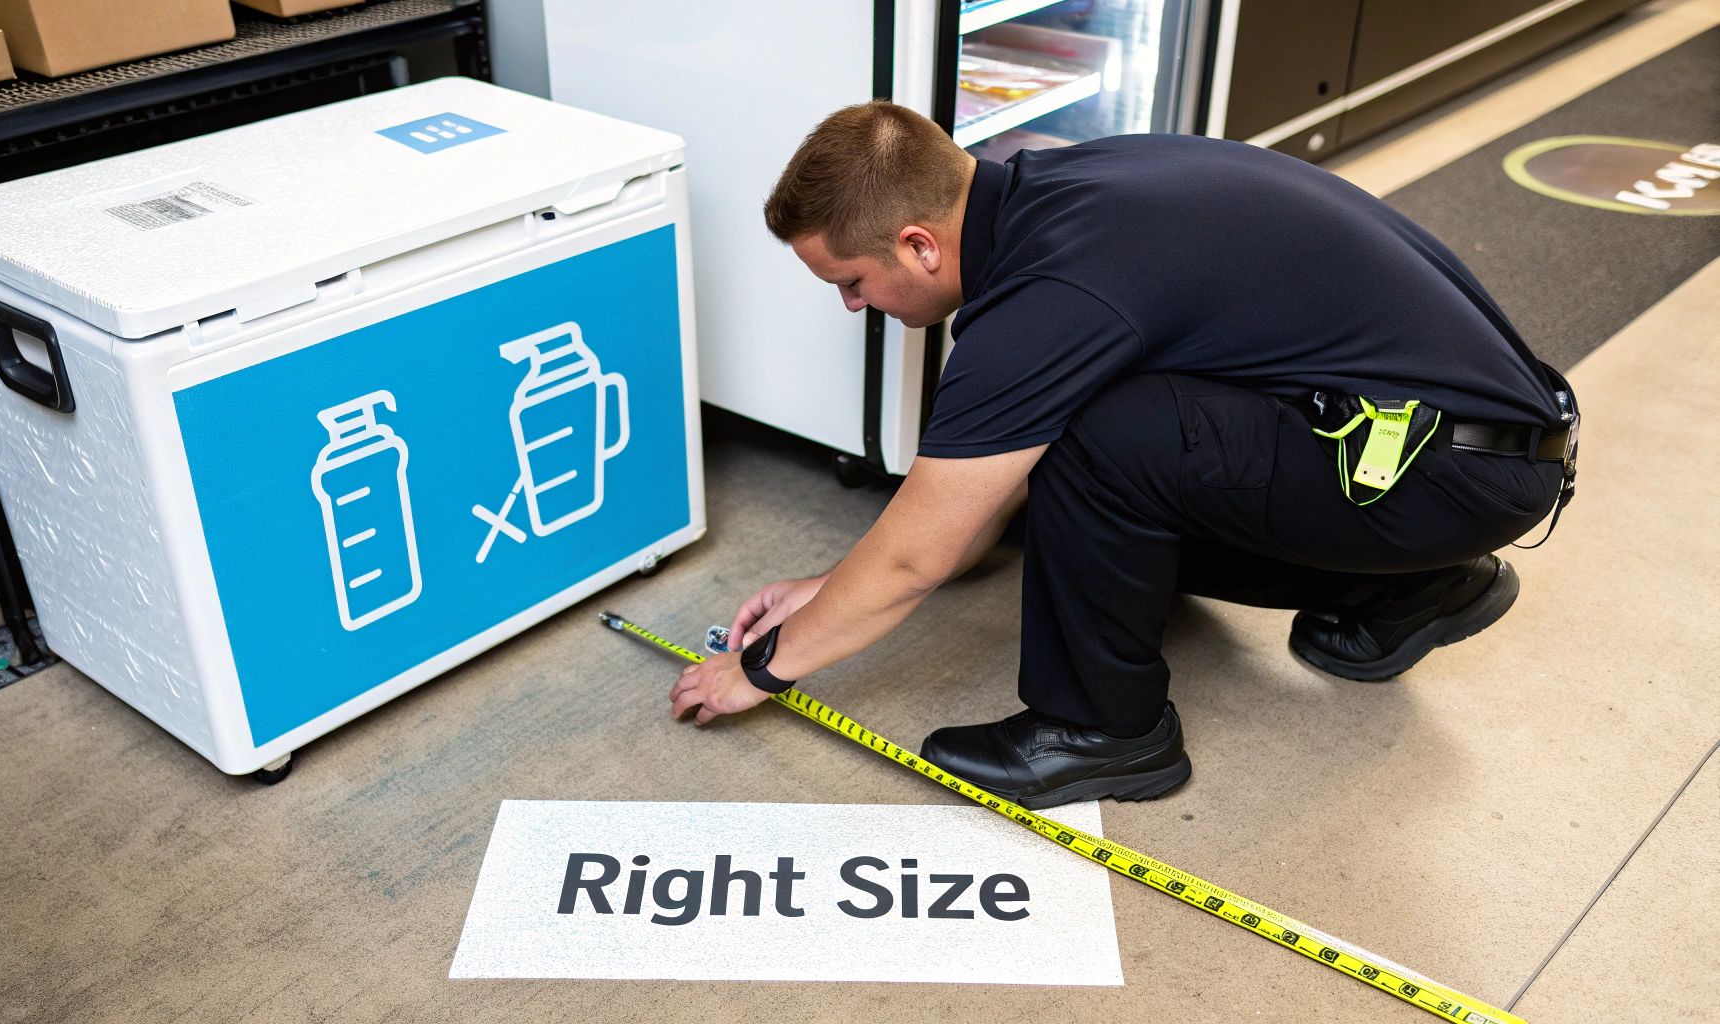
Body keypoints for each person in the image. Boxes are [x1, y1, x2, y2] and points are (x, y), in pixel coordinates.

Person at [667, 101, 1576, 810]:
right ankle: (1410, 589)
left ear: (916, 243)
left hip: (1446, 472)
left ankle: (1101, 730)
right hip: (1459, 443)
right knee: (1078, 458)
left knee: (1098, 440)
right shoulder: (1058, 189)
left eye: (852, 283)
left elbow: (924, 550)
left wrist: (761, 669)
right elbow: (971, 508)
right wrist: (829, 589)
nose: (852, 308)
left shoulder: (1046, 298)